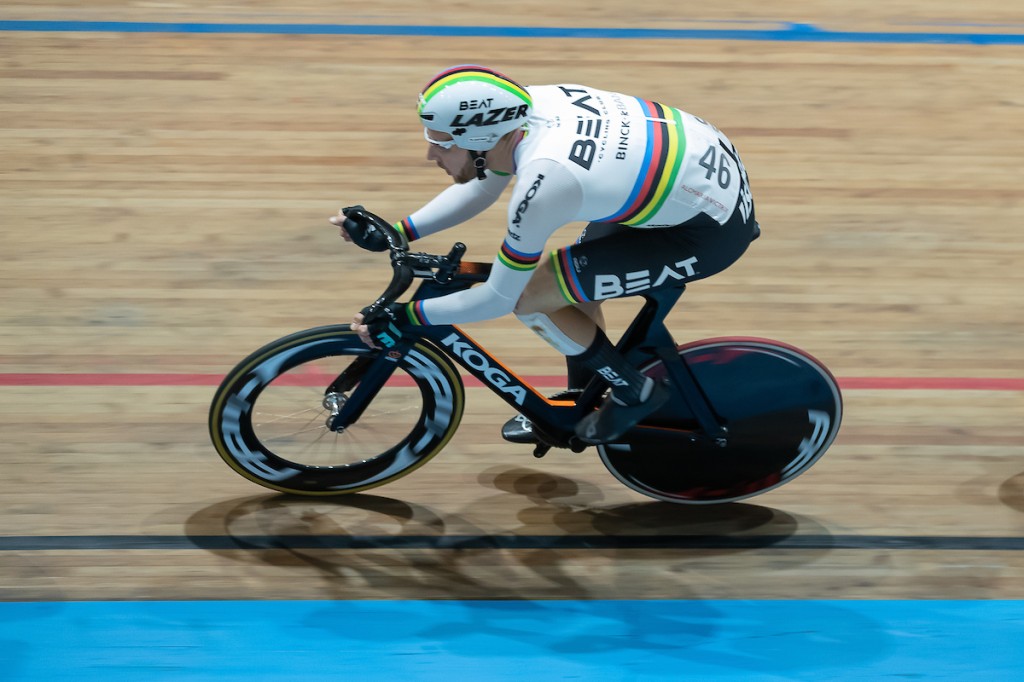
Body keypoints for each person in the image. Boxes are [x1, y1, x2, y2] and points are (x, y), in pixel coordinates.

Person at [330, 64, 758, 445]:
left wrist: (409, 317)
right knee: (568, 284)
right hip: (686, 176)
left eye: (441, 143)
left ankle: (636, 391)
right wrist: (400, 231)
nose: (430, 154)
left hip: (704, 232)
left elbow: (498, 299)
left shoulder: (545, 182)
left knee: (533, 297)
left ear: (479, 137)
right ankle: (586, 396)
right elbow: (484, 180)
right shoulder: (525, 108)